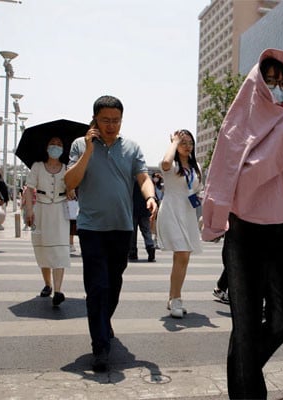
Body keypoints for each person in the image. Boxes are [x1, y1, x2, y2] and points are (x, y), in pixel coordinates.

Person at [201, 49, 283, 399]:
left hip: (279, 232)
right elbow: (223, 173)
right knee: (246, 328)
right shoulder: (239, 122)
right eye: (270, 81)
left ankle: (244, 370)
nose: (278, 88)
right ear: (257, 85)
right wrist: (214, 219)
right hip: (243, 234)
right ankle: (248, 387)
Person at [65, 95, 157, 373]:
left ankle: (104, 321)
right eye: (105, 120)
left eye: (116, 120)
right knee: (97, 286)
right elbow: (70, 181)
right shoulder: (80, 145)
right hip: (91, 227)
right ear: (94, 119)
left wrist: (151, 197)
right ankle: (100, 346)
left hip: (122, 227)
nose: (111, 125)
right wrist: (89, 151)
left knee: (114, 283)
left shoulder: (131, 147)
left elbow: (142, 177)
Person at [157, 129, 203, 318]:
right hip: (171, 211)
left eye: (189, 142)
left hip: (188, 212)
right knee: (182, 254)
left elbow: (197, 190)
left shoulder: (196, 166)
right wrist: (174, 142)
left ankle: (172, 297)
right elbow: (166, 163)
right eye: (183, 142)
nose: (187, 146)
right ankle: (176, 299)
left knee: (183, 257)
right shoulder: (171, 163)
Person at [24, 136, 73, 307]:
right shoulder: (37, 166)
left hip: (60, 211)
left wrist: (71, 190)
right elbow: (29, 190)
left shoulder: (68, 168)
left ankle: (58, 290)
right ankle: (48, 284)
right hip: (41, 210)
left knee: (60, 249)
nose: (55, 147)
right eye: (52, 143)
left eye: (59, 144)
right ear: (46, 147)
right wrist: (29, 210)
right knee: (43, 248)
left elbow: (72, 189)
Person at [129, 179, 156, 262]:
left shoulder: (130, 181)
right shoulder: (145, 181)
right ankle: (150, 248)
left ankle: (133, 252)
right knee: (146, 231)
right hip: (144, 210)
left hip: (133, 210)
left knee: (132, 233)